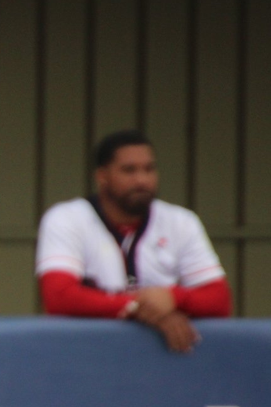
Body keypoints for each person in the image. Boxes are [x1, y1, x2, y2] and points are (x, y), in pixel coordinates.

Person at [35, 130, 232, 353]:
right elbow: (59, 297)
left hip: (162, 357)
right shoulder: (67, 218)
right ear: (102, 176)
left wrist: (172, 298)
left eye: (149, 169)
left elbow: (219, 300)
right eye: (129, 170)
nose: (142, 180)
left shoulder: (180, 221)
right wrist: (145, 309)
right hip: (83, 353)